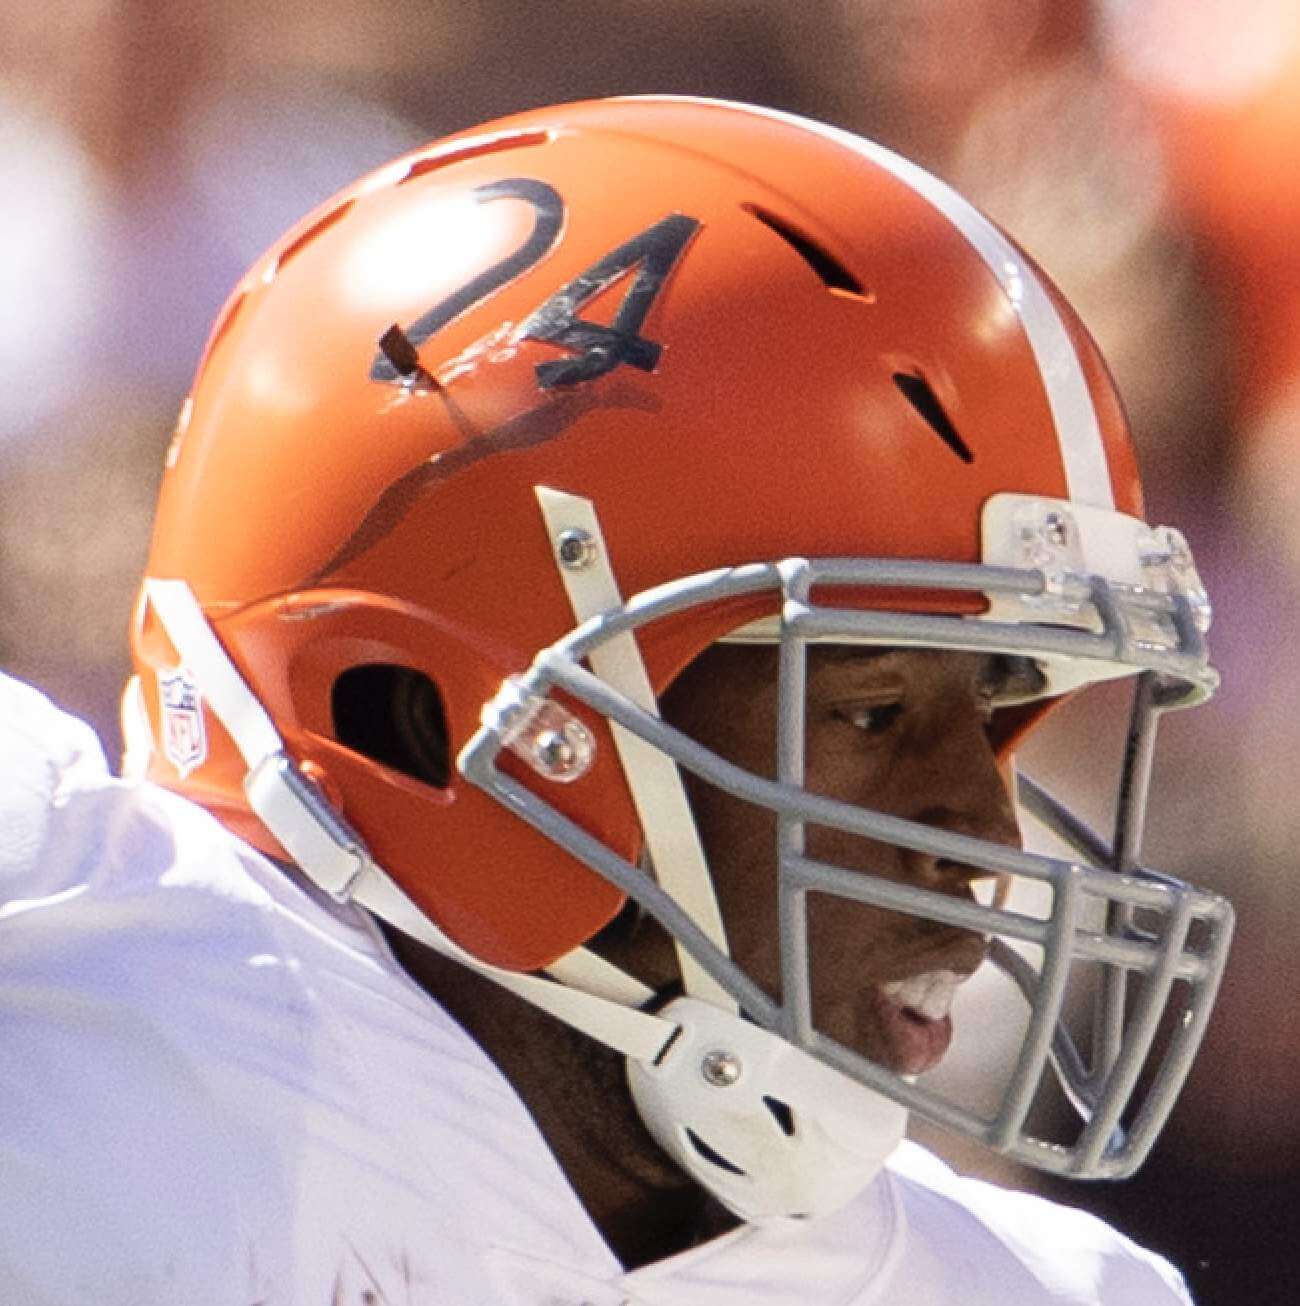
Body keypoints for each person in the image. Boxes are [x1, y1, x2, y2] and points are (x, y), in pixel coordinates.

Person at [0, 96, 1233, 1303]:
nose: (985, 838)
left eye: (1001, 708)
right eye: (871, 711)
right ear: (430, 710)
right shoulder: (76, 992)